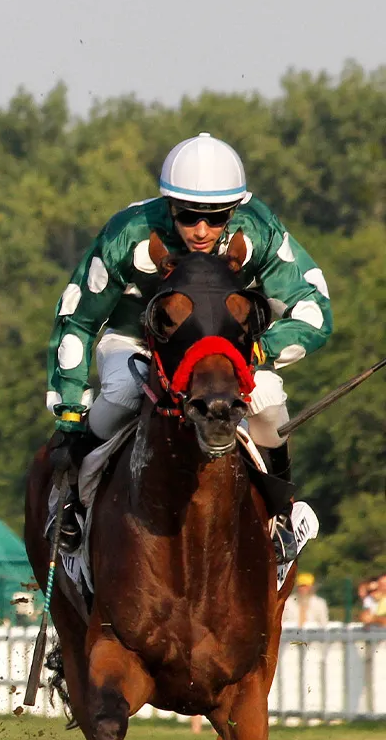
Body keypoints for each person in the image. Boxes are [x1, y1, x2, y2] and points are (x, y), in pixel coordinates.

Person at [46, 133, 331, 563]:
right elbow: (79, 317)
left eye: (216, 219)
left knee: (269, 398)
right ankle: (75, 506)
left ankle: (284, 514)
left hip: (226, 351)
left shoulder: (259, 228)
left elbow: (314, 310)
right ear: (169, 206)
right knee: (122, 391)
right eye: (189, 217)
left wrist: (257, 350)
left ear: (234, 210)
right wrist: (69, 407)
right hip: (138, 339)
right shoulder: (129, 233)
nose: (202, 231)